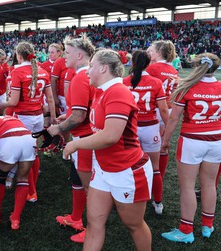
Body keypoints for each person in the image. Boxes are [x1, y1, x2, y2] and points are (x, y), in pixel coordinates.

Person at [63, 49, 153, 251]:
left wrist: (75, 144)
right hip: (103, 169)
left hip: (127, 171)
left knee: (133, 225)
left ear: (104, 68)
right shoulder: (101, 91)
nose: (87, 71)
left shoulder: (118, 92)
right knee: (94, 223)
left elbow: (111, 136)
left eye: (92, 66)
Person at [161, 53, 221, 243]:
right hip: (217, 140)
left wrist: (165, 141)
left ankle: (186, 230)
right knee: (209, 184)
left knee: (187, 187)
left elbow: (173, 119)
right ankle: (207, 225)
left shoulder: (187, 86)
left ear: (195, 65)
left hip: (192, 141)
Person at [47, 34, 96, 243]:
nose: (63, 57)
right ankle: (76, 218)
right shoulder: (87, 76)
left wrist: (58, 127)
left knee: (90, 188)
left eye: (66, 53)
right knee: (77, 179)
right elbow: (82, 109)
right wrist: (66, 117)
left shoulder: (80, 77)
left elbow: (79, 116)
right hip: (86, 136)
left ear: (80, 54)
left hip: (85, 138)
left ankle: (91, 230)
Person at [0, 41, 56, 203]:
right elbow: (50, 98)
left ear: (19, 55)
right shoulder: (43, 71)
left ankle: (31, 190)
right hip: (37, 117)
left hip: (22, 117)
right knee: (33, 152)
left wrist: (2, 104)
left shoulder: (17, 72)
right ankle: (31, 187)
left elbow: (14, 101)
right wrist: (51, 118)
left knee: (24, 155)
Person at [123, 50, 169, 215]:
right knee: (155, 168)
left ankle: (128, 197)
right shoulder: (156, 82)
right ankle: (157, 203)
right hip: (150, 128)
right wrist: (169, 129)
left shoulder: (124, 82)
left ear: (133, 63)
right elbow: (163, 109)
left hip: (130, 129)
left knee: (129, 165)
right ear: (148, 64)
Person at [0, 115, 36, 230]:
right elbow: (17, 156)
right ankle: (15, 219)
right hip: (28, 138)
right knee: (23, 179)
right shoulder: (11, 118)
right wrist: (11, 176)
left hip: (8, 139)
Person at [146, 40, 178, 188]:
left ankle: (151, 174)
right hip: (168, 108)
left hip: (155, 108)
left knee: (149, 145)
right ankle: (159, 175)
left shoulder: (153, 68)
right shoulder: (173, 70)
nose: (148, 52)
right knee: (161, 145)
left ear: (159, 52)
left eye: (151, 50)